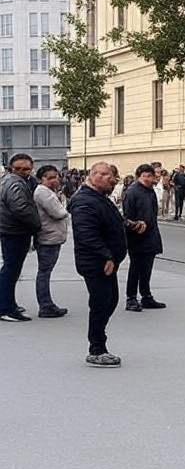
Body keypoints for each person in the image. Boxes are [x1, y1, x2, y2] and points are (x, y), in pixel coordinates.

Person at [67, 162, 128, 367]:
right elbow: (86, 234)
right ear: (97, 175)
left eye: (113, 180)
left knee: (110, 301)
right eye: (109, 178)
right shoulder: (85, 201)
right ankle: (97, 349)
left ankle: (98, 342)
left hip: (105, 260)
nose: (112, 182)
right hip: (96, 262)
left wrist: (129, 224)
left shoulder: (98, 198)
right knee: (101, 303)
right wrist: (107, 256)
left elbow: (112, 220)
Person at [0, 152, 42, 322]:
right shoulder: (14, 183)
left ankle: (8, 303)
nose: (23, 171)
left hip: (12, 230)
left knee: (11, 269)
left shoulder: (12, 181)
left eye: (26, 169)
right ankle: (6, 308)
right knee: (10, 270)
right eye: (19, 168)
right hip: (14, 231)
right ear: (11, 168)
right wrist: (36, 223)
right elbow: (20, 207)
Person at [123, 164, 166, 312]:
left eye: (150, 176)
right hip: (137, 236)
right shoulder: (133, 192)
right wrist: (135, 226)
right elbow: (127, 216)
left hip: (150, 235)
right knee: (136, 268)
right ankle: (131, 298)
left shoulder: (149, 191)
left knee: (146, 268)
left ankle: (146, 296)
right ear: (138, 177)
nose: (148, 179)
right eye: (144, 176)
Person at [33, 164, 69, 318]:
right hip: (48, 237)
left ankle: (46, 304)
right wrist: (63, 202)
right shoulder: (43, 193)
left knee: (44, 271)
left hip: (51, 236)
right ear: (42, 179)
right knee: (44, 272)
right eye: (50, 178)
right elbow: (59, 213)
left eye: (56, 177)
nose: (55, 180)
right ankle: (46, 305)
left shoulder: (48, 192)